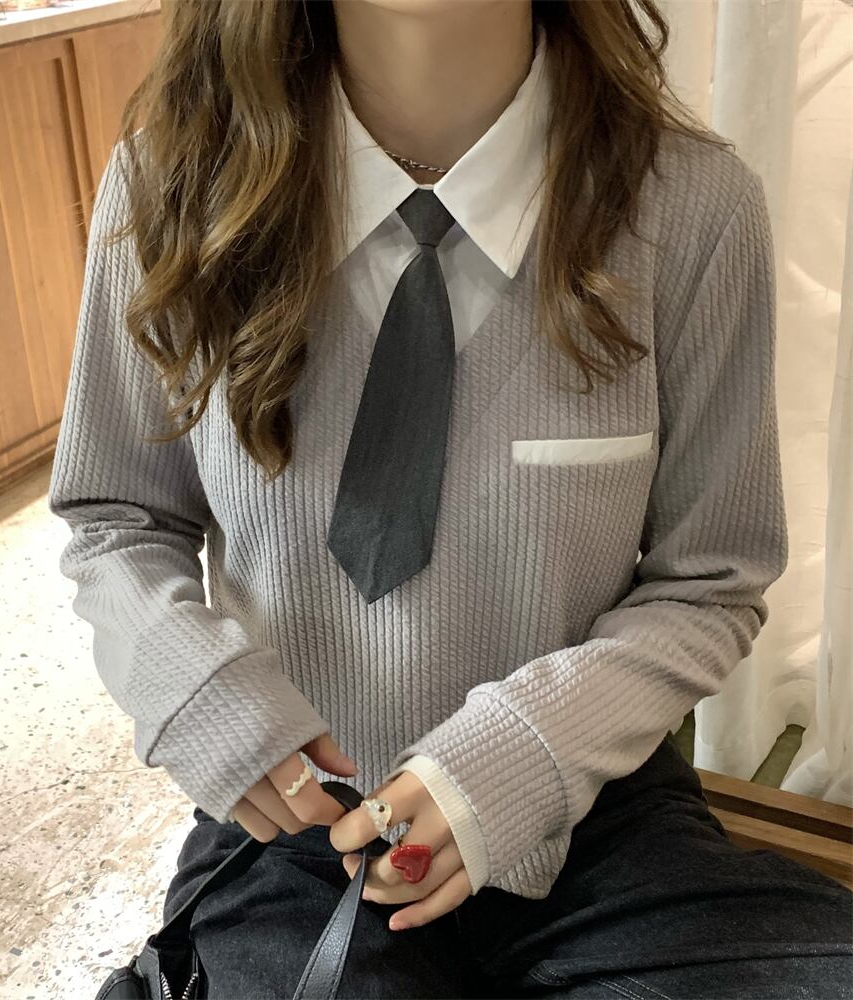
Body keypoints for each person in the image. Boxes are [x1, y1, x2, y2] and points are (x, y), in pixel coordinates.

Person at [48, 1, 853, 997]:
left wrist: (524, 754)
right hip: (299, 826)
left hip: (592, 808)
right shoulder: (171, 187)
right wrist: (196, 688)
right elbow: (117, 518)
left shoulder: (692, 207)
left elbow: (713, 577)